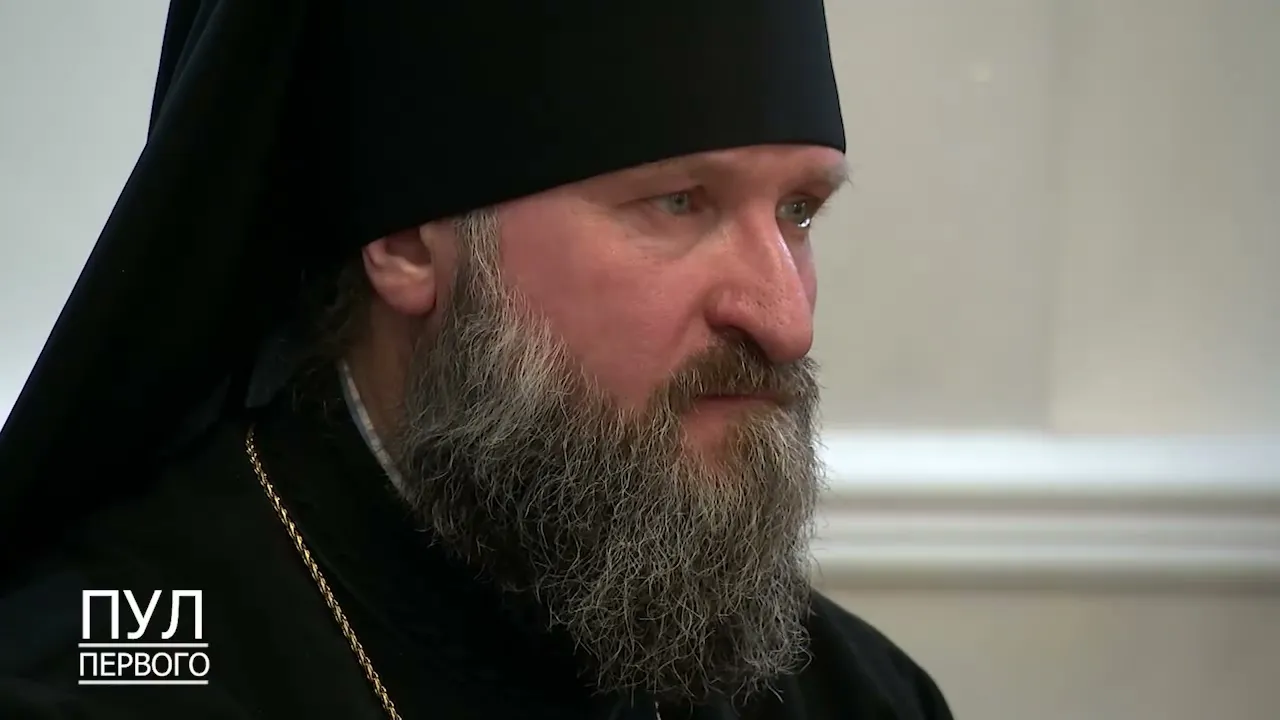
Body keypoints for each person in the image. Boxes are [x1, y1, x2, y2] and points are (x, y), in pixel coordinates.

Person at [0, 1, 955, 718]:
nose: (785, 322)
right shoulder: (94, 678)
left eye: (798, 211)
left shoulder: (858, 697)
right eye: (679, 203)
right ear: (406, 240)